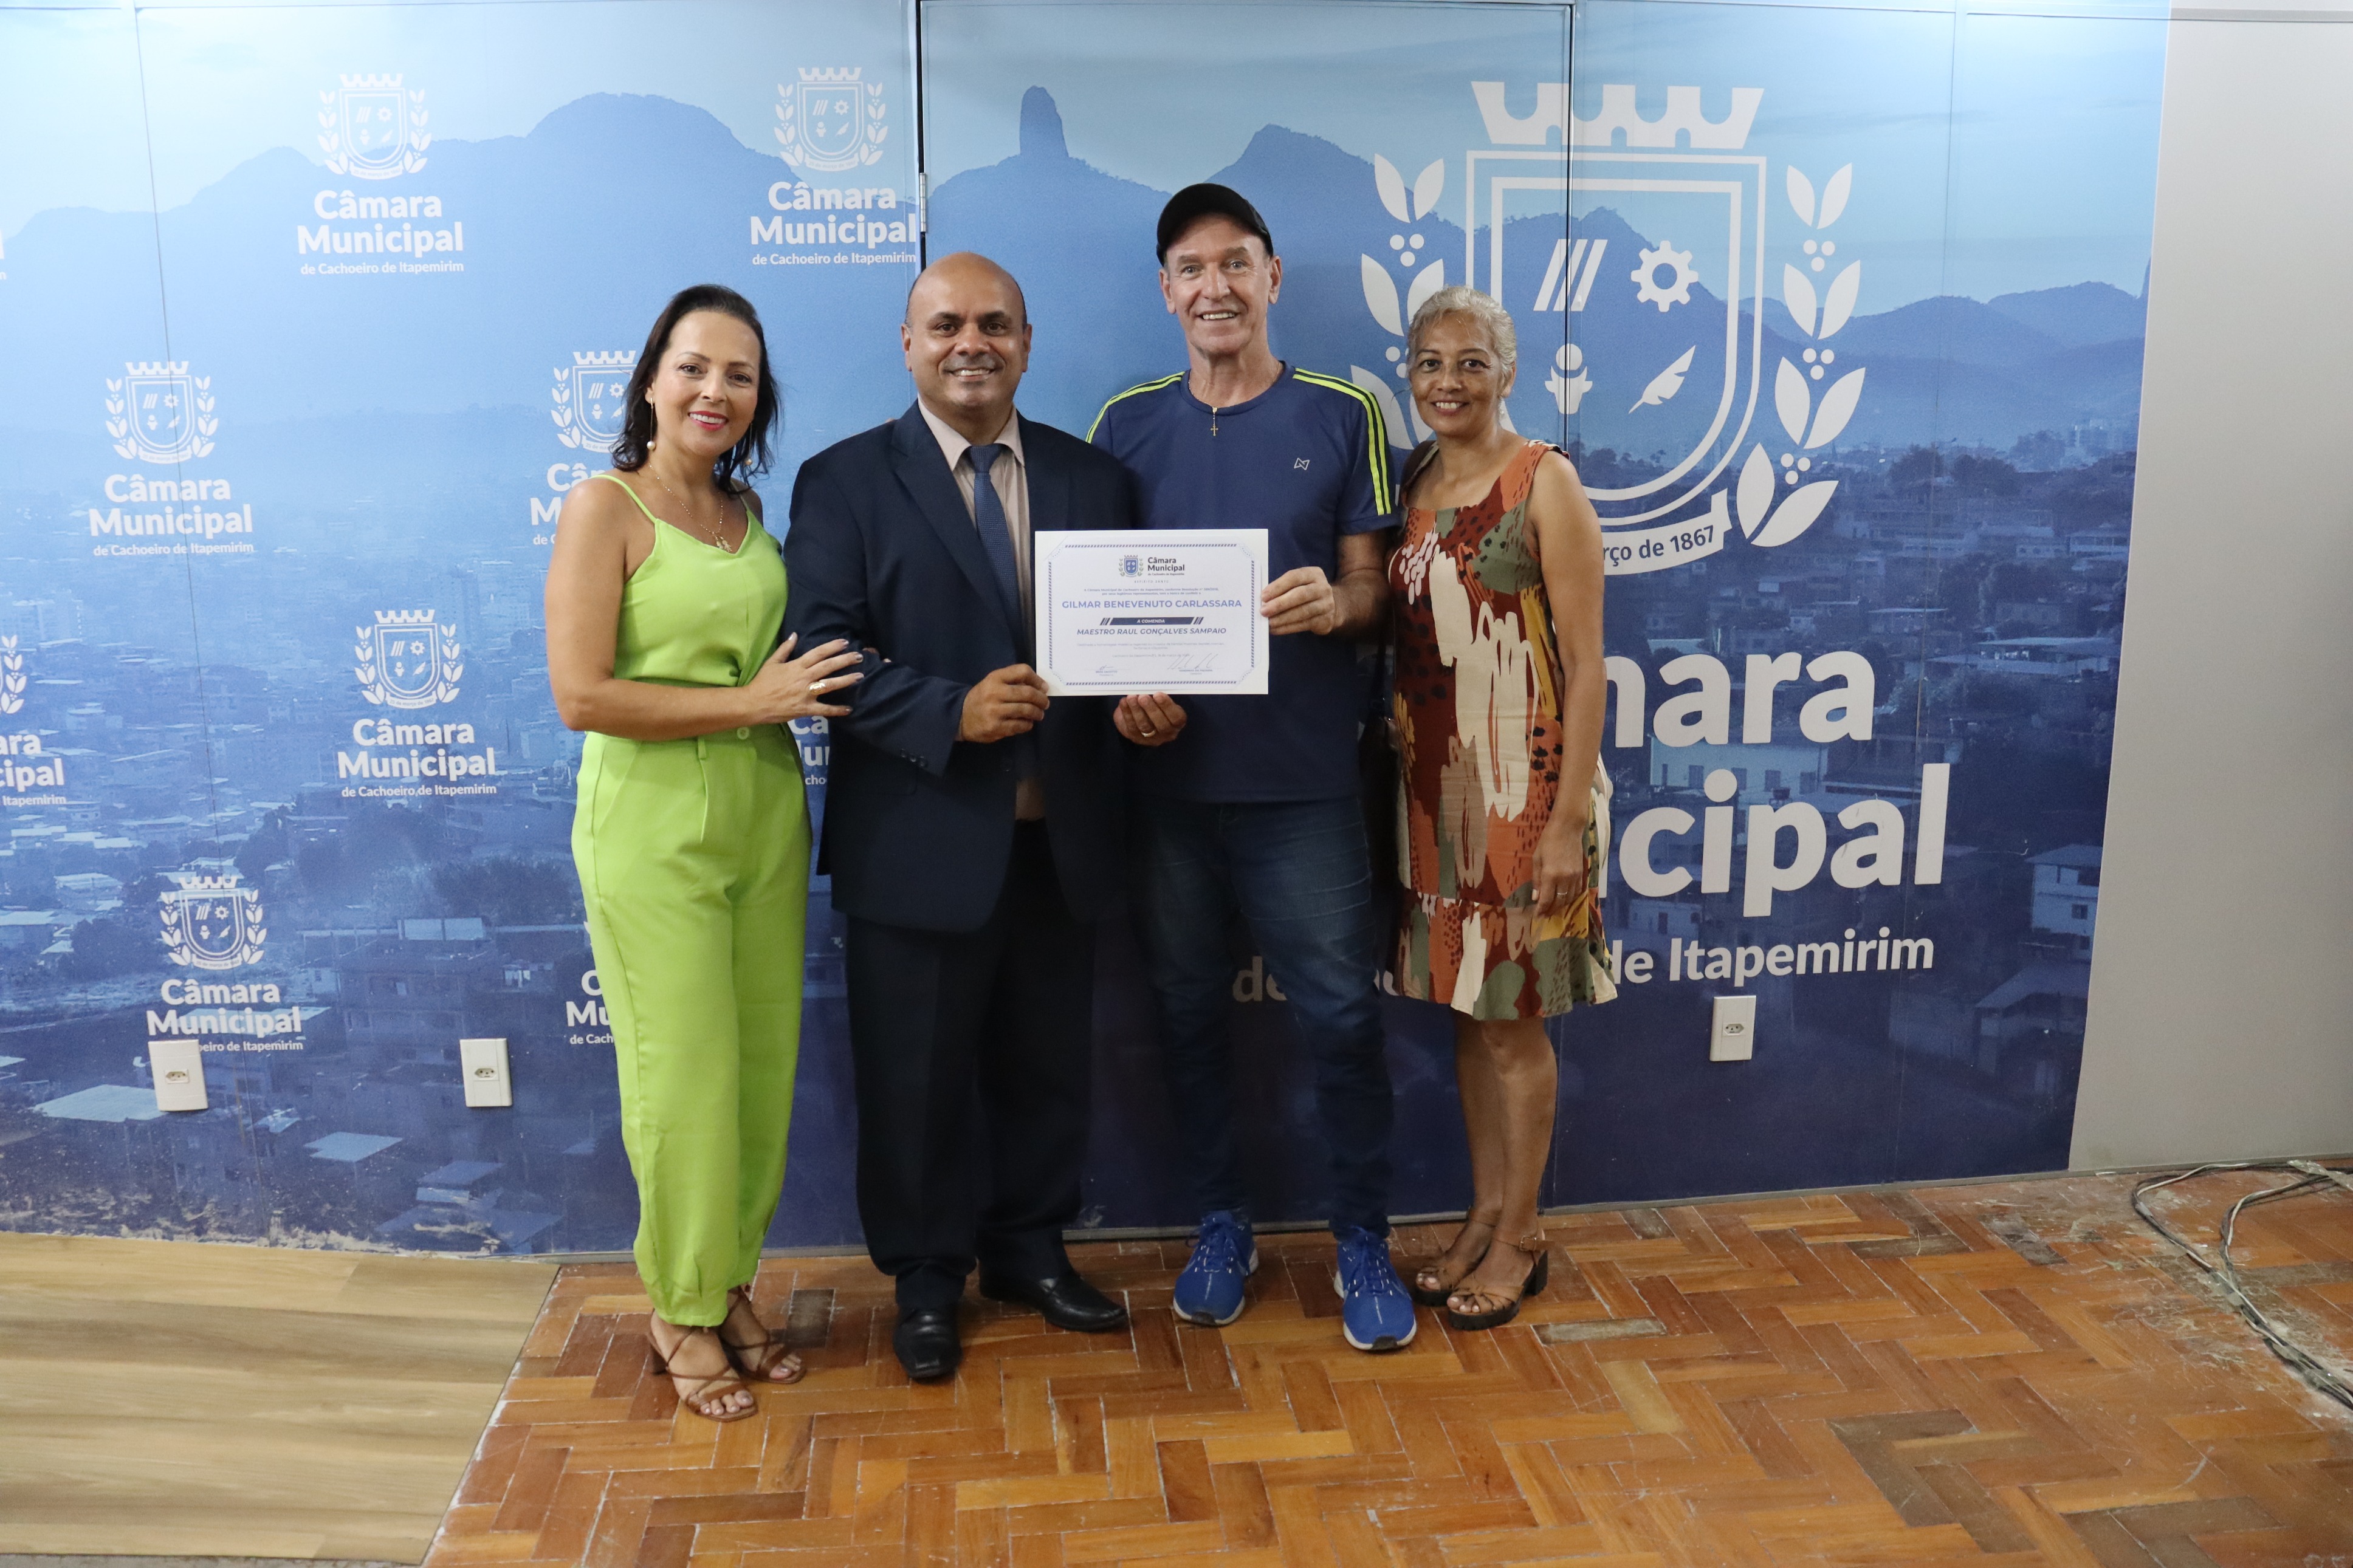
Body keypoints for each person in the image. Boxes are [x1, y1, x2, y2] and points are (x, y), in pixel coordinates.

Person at [783, 253, 1136, 1383]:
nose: (970, 343)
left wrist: (1150, 700)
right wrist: (955, 711)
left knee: (1048, 1069)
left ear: (1027, 343)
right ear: (908, 344)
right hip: (918, 838)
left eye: (994, 324)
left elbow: (1126, 638)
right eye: (945, 325)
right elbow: (822, 655)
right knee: (915, 1080)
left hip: (1062, 837)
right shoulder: (842, 480)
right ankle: (928, 1281)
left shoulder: (1094, 477)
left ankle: (1030, 1251)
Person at [1088, 183, 1415, 1353]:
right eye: (1191, 268)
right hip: (1169, 791)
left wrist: (1339, 601)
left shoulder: (1344, 411)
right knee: (1185, 1016)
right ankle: (1221, 1223)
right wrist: (1124, 700)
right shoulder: (1123, 423)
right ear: (1165, 290)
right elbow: (1103, 611)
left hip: (1304, 787)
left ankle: (1362, 1238)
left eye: (1236, 263)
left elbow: (1376, 593)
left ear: (1272, 277)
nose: (1215, 286)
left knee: (1342, 1020)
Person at [546, 284, 863, 1421]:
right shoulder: (605, 507)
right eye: (693, 367)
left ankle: (726, 1281)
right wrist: (753, 703)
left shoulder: (746, 511)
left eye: (739, 375)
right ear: (650, 380)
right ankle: (677, 1309)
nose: (714, 391)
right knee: (680, 1076)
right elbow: (582, 694)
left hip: (766, 815)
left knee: (756, 1069)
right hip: (652, 828)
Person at [1387, 286, 1616, 1331]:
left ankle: (1523, 1235)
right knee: (1469, 1019)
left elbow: (1588, 664)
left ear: (1509, 373)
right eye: (1431, 362)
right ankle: (1483, 1212)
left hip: (1526, 798)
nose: (1449, 381)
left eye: (1471, 362)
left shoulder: (1544, 481)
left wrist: (1565, 821)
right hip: (1437, 800)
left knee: (1515, 1027)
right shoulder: (1415, 481)